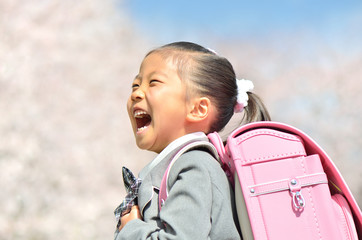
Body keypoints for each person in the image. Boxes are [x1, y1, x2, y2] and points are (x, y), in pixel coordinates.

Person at [114, 41, 271, 240]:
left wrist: (131, 229)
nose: (136, 93)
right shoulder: (183, 165)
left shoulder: (195, 166)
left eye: (153, 83)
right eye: (135, 85)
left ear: (198, 109)